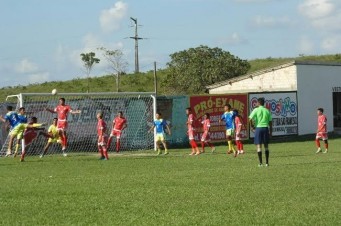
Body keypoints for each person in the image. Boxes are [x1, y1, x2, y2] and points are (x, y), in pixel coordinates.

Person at [249, 97, 272, 167]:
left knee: (259, 146)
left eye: (256, 102)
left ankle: (260, 163)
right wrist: (271, 131)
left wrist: (252, 126)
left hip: (258, 128)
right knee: (266, 146)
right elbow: (270, 122)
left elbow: (249, 119)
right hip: (265, 128)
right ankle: (267, 163)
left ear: (258, 103)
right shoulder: (267, 110)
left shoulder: (256, 110)